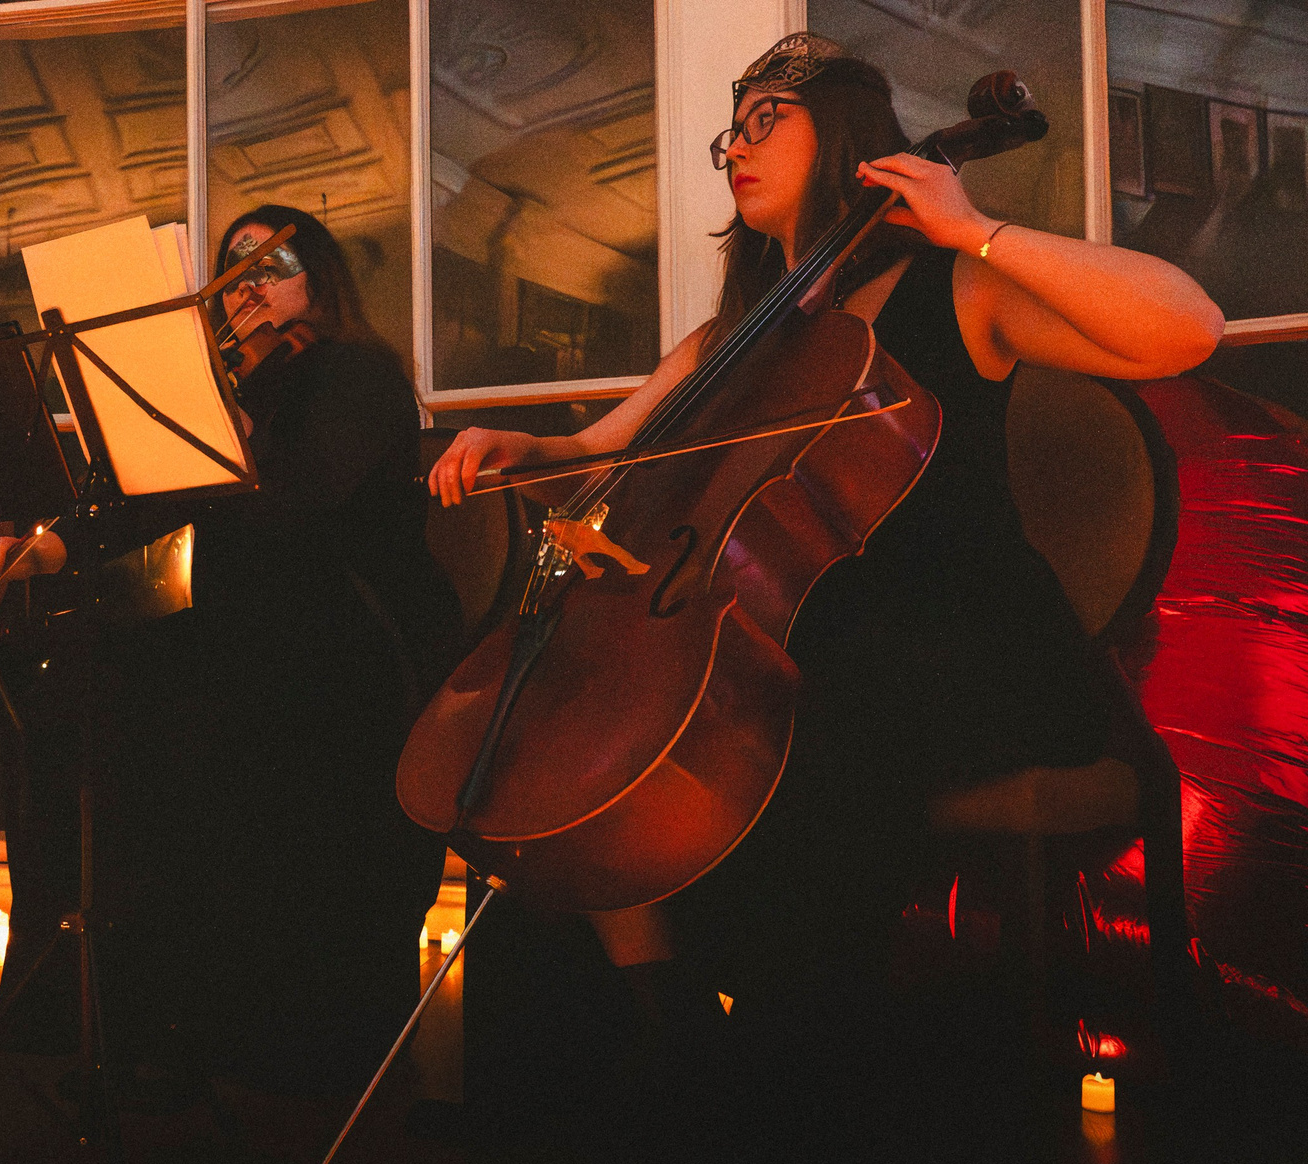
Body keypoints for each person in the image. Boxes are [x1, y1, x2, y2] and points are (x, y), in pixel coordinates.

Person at [427, 34, 1223, 1030]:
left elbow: (1185, 327)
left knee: (796, 730)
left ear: (848, 140)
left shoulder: (955, 287)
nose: (736, 147)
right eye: (731, 132)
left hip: (972, 651)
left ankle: (783, 1054)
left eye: (767, 119)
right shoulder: (731, 341)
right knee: (567, 732)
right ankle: (661, 1019)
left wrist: (974, 230)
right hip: (810, 645)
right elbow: (600, 456)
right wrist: (523, 451)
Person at [0, 206, 459, 1095]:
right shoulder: (228, 390)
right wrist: (47, 547)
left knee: (172, 695)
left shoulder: (357, 376)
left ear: (321, 281)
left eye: (271, 265)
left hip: (351, 638)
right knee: (67, 671)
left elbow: (298, 509)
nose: (247, 286)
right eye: (232, 272)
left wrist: (226, 412)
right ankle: (105, 989)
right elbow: (151, 508)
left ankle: (221, 1009)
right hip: (251, 627)